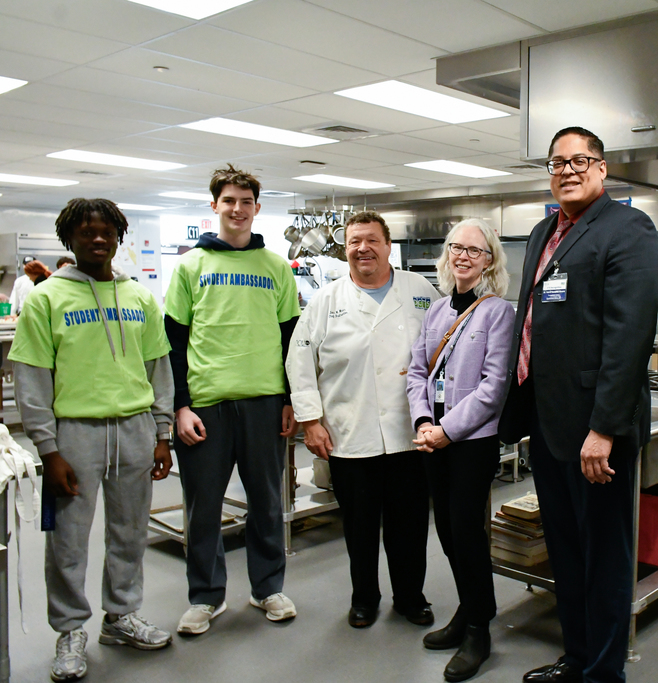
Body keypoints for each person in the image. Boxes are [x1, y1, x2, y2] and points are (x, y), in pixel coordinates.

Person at [498, 127, 658, 683]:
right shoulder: (546, 229)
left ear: (602, 168)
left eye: (579, 160)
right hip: (548, 424)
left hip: (597, 432)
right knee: (565, 551)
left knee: (605, 558)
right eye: (557, 162)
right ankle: (577, 657)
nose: (567, 170)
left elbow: (629, 336)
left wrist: (605, 429)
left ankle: (603, 673)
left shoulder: (628, 228)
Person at [11, 198, 173, 681]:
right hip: (74, 434)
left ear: (119, 236)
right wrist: (47, 449)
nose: (98, 239)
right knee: (69, 540)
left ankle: (120, 616)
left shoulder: (140, 297)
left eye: (106, 232)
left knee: (129, 531)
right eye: (86, 232)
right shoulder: (46, 299)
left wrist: (161, 434)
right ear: (70, 238)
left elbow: (158, 370)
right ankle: (69, 630)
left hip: (135, 430)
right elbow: (32, 380)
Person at [164, 164, 300, 635]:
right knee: (203, 508)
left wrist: (288, 398)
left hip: (264, 402)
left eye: (246, 202)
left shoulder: (276, 267)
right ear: (214, 206)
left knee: (266, 501)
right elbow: (173, 345)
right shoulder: (190, 266)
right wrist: (180, 405)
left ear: (257, 208)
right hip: (205, 407)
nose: (237, 209)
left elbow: (290, 340)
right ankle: (205, 596)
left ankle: (267, 588)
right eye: (229, 201)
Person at [286, 211, 438, 630]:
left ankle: (411, 597)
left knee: (408, 527)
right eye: (354, 241)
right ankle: (364, 599)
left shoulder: (419, 289)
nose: (362, 248)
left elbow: (442, 349)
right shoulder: (326, 300)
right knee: (359, 528)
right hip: (349, 434)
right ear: (346, 248)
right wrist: (311, 420)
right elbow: (299, 359)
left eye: (371, 240)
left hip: (410, 434)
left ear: (388, 246)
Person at [406, 219, 515, 682]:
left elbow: (493, 388)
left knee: (468, 532)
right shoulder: (435, 311)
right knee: (448, 532)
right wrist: (424, 421)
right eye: (456, 248)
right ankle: (468, 610)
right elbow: (416, 373)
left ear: (489, 260)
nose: (463, 256)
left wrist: (447, 430)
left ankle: (479, 629)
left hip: (471, 441)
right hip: (434, 437)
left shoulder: (497, 314)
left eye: (474, 250)